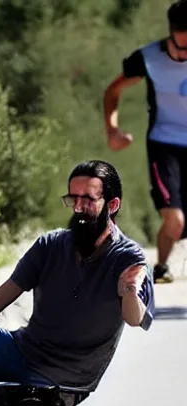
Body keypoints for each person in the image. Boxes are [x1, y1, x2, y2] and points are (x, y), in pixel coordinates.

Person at [0, 160, 154, 391]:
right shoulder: (51, 245)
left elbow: (134, 318)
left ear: (112, 205)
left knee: (26, 394)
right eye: (72, 198)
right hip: (22, 352)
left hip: (69, 376)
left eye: (88, 200)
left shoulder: (128, 257)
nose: (78, 208)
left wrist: (130, 289)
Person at [103, 0, 187, 284]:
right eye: (182, 48)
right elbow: (113, 91)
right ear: (171, 34)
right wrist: (112, 130)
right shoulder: (148, 58)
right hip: (165, 144)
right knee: (175, 220)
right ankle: (162, 266)